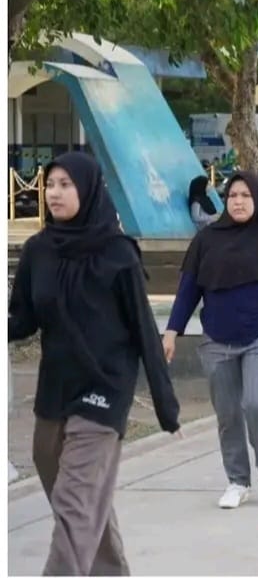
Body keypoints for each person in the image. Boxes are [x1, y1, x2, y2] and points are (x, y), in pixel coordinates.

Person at [9, 152, 180, 574]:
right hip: (55, 391)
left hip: (105, 391)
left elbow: (144, 331)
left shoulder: (118, 254)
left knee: (75, 501)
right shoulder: (38, 251)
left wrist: (166, 407)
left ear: (87, 189)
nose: (54, 193)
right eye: (50, 184)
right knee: (76, 496)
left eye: (66, 184)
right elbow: (21, 320)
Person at [165, 171, 258, 509]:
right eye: (232, 196)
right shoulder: (207, 240)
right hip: (217, 339)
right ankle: (237, 481)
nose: (239, 201)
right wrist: (172, 331)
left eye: (246, 195)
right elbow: (188, 290)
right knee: (228, 413)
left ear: (257, 199)